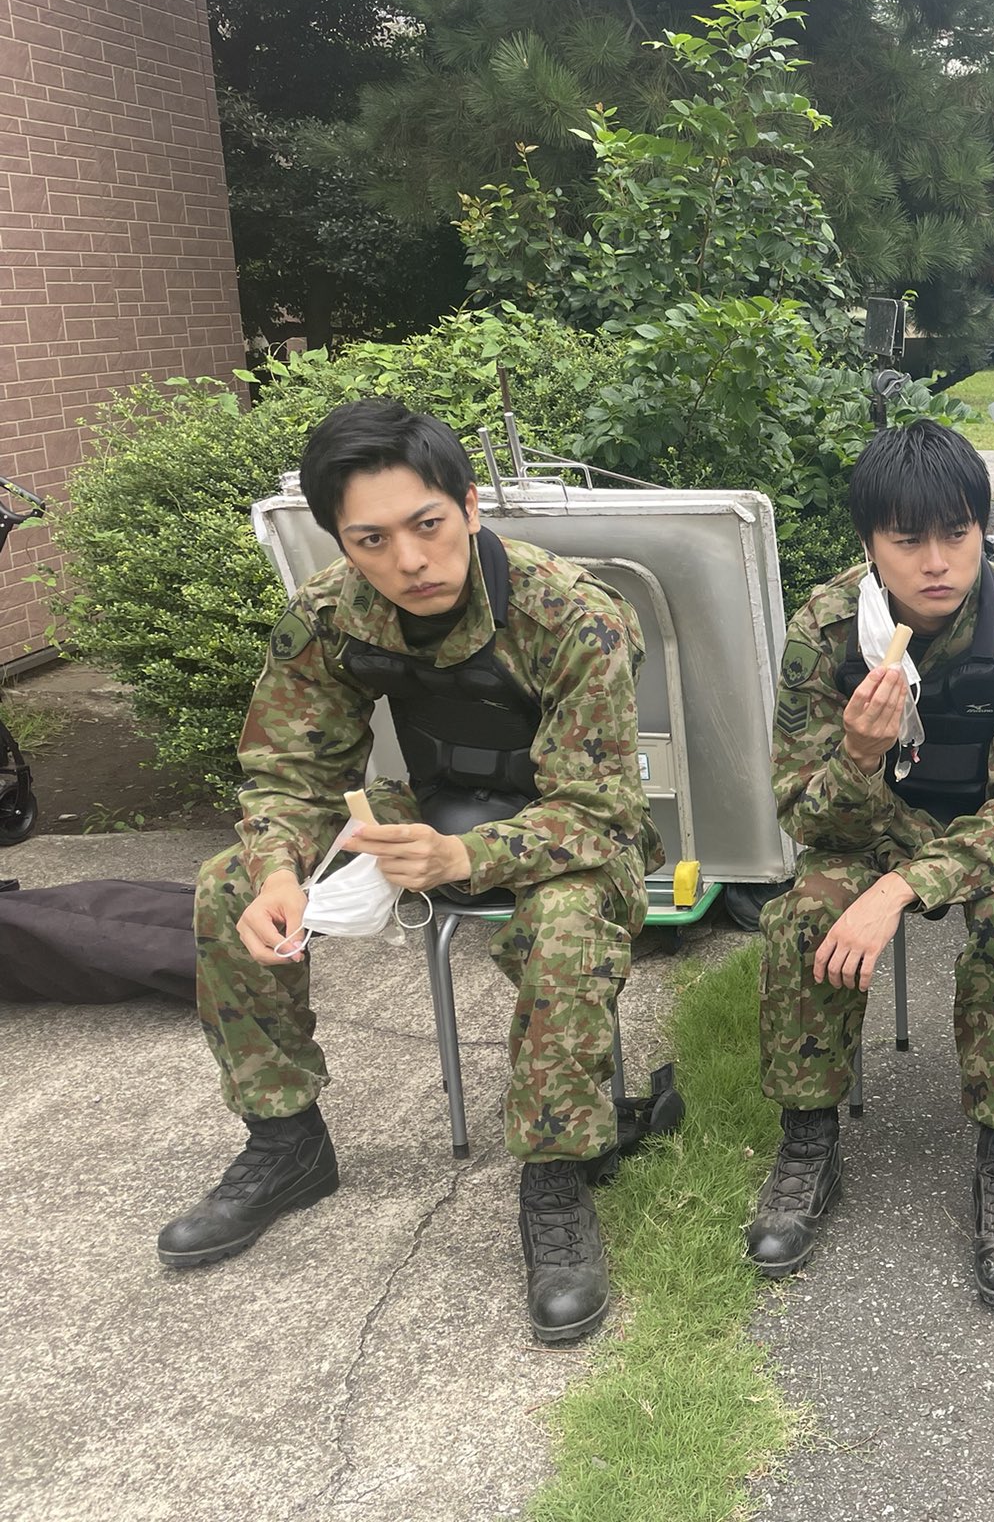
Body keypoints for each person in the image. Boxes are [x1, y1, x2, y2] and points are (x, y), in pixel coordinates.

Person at [157, 398, 660, 1345]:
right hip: (426, 806)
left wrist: (464, 856)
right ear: (341, 543)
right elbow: (290, 772)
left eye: (427, 525)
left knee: (563, 925)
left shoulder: (569, 614)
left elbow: (601, 809)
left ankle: (555, 1181)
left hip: (570, 834)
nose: (410, 560)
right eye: (372, 541)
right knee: (229, 883)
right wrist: (278, 871)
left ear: (469, 506)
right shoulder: (330, 615)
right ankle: (286, 1142)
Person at [745, 419, 994, 1306]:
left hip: (991, 832)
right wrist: (859, 753)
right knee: (804, 916)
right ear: (870, 545)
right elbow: (802, 812)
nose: (937, 562)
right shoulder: (827, 631)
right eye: (907, 541)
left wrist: (903, 888)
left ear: (983, 529)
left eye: (957, 534)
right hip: (870, 827)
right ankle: (808, 1142)